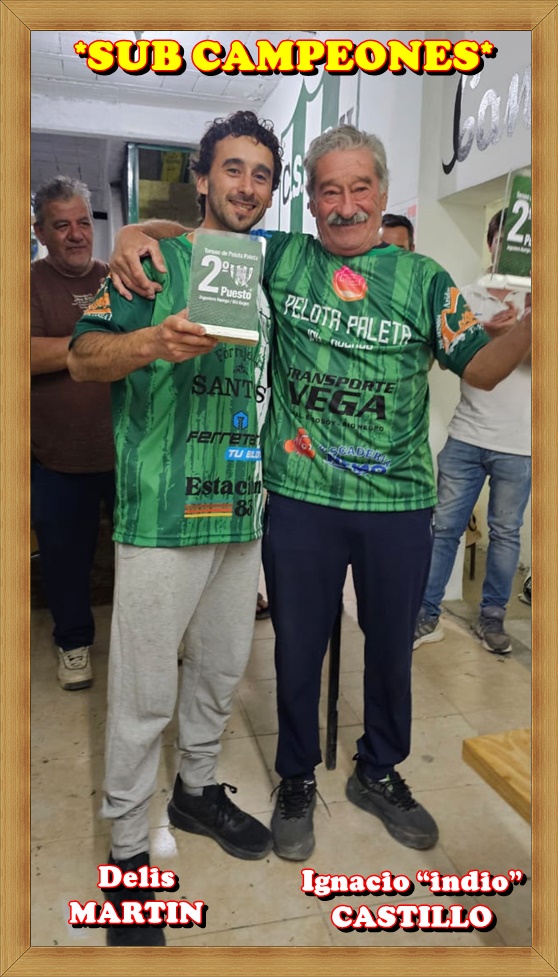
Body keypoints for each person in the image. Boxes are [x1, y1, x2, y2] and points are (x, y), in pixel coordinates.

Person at [109, 126, 531, 864]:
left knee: (391, 650)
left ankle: (379, 771)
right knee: (297, 651)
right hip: (301, 498)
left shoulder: (424, 279)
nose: (345, 205)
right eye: (328, 190)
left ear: (382, 193)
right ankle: (297, 778)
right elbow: (207, 232)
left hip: (398, 502)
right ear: (308, 201)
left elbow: (484, 370)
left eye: (359, 188)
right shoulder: (280, 257)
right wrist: (134, 232)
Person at [68, 111, 283, 947]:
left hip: (240, 506)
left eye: (261, 174)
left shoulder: (268, 270)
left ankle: (196, 791)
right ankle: (128, 851)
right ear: (201, 178)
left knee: (222, 669)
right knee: (142, 690)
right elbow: (83, 356)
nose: (245, 186)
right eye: (232, 169)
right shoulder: (152, 264)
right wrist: (152, 341)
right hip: (161, 512)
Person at [414, 209, 531, 654]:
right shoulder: (464, 297)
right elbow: (448, 357)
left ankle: (492, 619)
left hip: (521, 443)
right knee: (444, 528)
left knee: (506, 533)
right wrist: (486, 333)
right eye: (505, 239)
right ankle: (425, 614)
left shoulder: (541, 299)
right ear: (492, 244)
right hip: (465, 435)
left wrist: (518, 331)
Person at [31, 176, 115, 691]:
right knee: (64, 559)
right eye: (62, 225)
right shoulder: (26, 283)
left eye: (83, 222)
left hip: (126, 451)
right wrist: (96, 345)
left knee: (143, 557)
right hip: (56, 457)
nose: (77, 234)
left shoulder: (115, 277)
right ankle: (74, 643)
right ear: (40, 232)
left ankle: (144, 640)